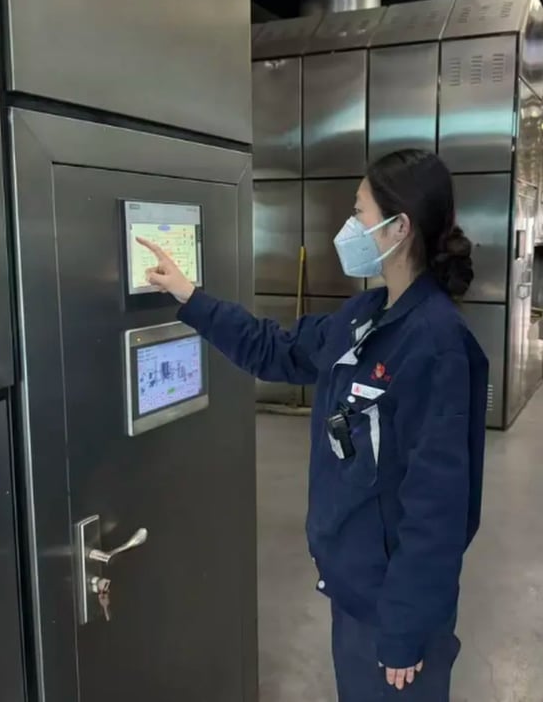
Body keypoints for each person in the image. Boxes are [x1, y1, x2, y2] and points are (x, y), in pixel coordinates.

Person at [139, 149, 488, 701]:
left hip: (393, 609)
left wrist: (405, 629)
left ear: (399, 227)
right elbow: (275, 350)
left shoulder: (436, 345)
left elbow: (438, 509)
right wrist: (191, 298)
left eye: (359, 211)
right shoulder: (365, 316)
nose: (349, 226)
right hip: (354, 589)